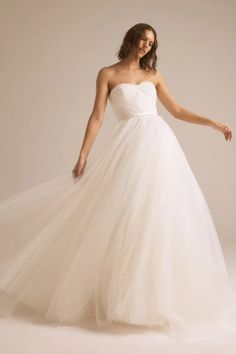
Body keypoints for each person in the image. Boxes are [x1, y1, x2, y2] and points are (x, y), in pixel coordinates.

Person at [0, 23, 234, 339]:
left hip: (159, 147)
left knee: (160, 216)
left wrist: (212, 122)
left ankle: (157, 298)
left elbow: (176, 111)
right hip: (128, 146)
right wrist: (83, 155)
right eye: (142, 39)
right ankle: (117, 294)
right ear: (131, 38)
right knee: (123, 215)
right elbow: (97, 116)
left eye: (151, 42)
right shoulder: (107, 74)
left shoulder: (155, 76)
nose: (146, 46)